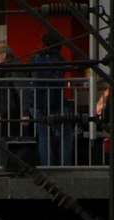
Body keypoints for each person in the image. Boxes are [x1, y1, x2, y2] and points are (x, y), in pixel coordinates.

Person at [27, 32, 75, 166]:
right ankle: (66, 164)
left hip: (38, 103)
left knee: (43, 136)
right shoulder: (61, 60)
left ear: (44, 44)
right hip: (57, 101)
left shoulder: (33, 60)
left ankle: (46, 165)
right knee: (66, 134)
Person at [0, 44, 24, 160]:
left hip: (14, 112)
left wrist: (25, 113)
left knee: (13, 141)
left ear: (3, 56)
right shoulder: (4, 72)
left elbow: (22, 91)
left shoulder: (13, 70)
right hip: (8, 111)